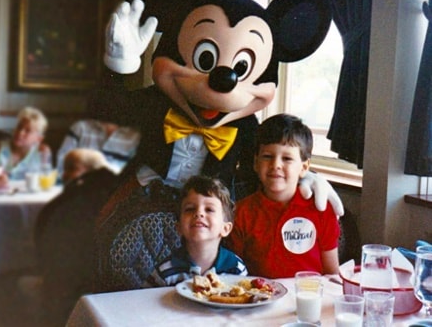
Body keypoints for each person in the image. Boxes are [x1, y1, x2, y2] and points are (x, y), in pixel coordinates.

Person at [226, 114, 340, 278]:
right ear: (256, 163)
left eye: (287, 158)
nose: (276, 165)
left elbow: (332, 274)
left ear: (304, 167)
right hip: (259, 299)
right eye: (267, 156)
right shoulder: (241, 213)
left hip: (309, 298)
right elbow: (233, 274)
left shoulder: (321, 209)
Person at [145, 175, 247, 287]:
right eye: (190, 209)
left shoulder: (236, 269)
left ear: (225, 228)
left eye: (209, 209)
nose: (199, 213)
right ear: (178, 227)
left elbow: (244, 300)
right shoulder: (164, 272)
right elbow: (144, 303)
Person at [0, 106, 51, 180]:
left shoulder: (42, 151)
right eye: (19, 127)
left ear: (38, 139)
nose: (20, 132)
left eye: (27, 130)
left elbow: (46, 179)